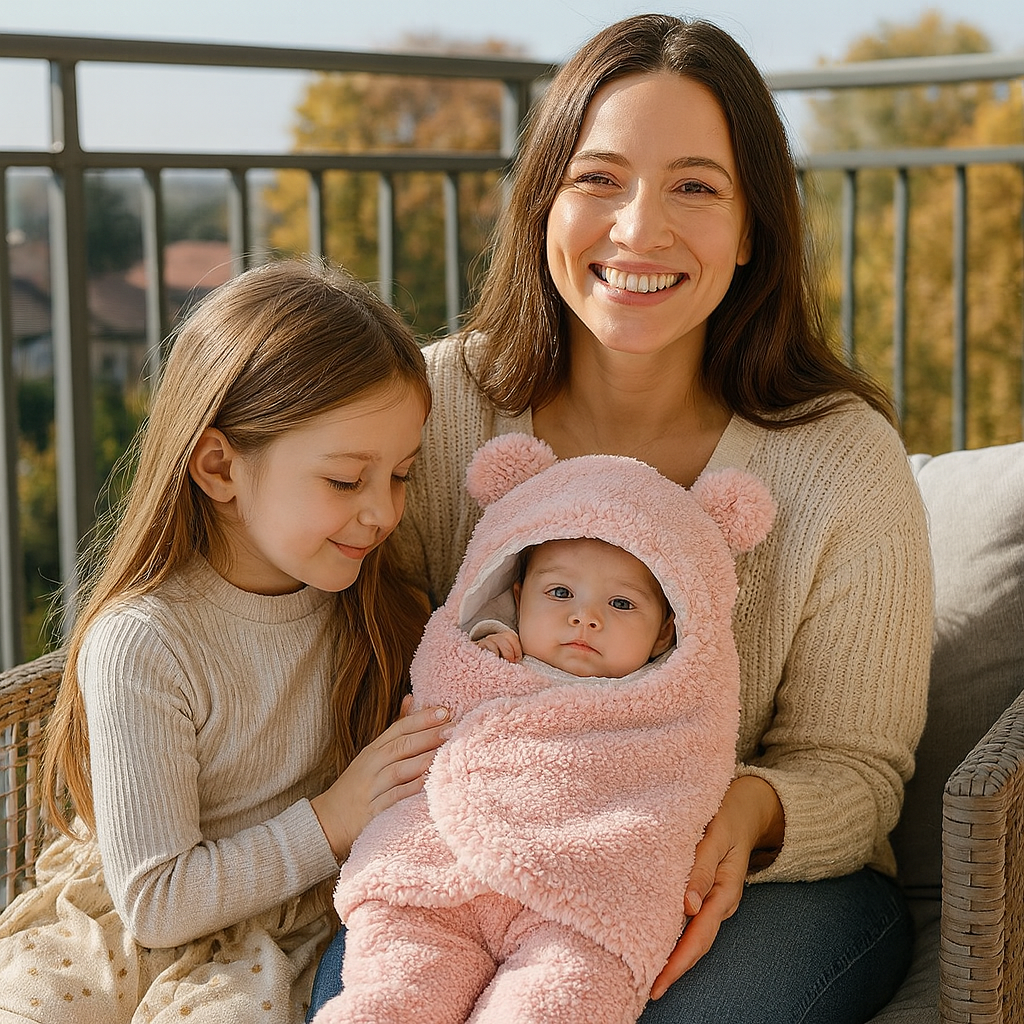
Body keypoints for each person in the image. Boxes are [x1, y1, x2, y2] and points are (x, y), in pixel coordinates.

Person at [308, 14, 934, 1024]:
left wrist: (754, 808)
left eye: (694, 185)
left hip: (752, 885)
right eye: (598, 177)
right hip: (469, 849)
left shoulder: (838, 459)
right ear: (543, 203)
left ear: (750, 232)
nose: (638, 229)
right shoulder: (439, 406)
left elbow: (856, 765)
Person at [0, 260, 453, 1024]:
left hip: (292, 925)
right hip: (129, 927)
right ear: (220, 467)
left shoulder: (382, 611)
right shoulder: (142, 644)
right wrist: (334, 819)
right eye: (346, 481)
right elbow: (155, 902)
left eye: (401, 475)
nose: (382, 512)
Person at [313, 433, 775, 1024]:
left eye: (624, 605)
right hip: (438, 879)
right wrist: (485, 649)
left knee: (556, 1004)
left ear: (667, 634)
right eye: (559, 592)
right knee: (393, 997)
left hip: (579, 901)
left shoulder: (667, 706)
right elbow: (442, 701)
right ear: (514, 595)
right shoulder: (489, 655)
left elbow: (680, 783)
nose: (585, 616)